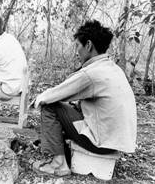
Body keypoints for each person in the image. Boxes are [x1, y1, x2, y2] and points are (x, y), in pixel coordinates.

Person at [32, 20, 137, 176]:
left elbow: (52, 95)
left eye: (77, 46)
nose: (76, 52)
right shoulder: (112, 68)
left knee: (50, 107)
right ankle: (61, 152)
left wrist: (35, 101)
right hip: (116, 141)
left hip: (101, 143)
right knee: (70, 107)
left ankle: (59, 165)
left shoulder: (92, 74)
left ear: (88, 45)